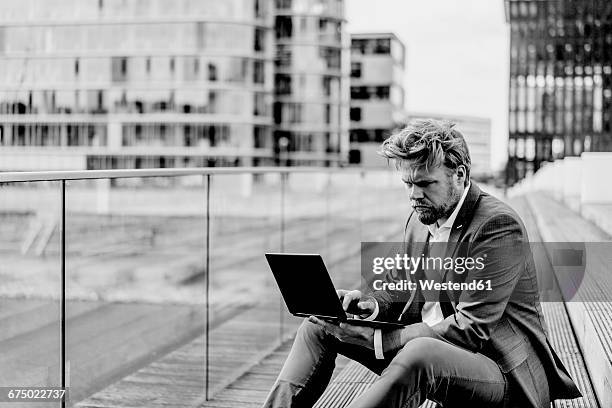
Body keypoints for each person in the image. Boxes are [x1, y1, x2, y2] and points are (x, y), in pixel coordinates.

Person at [262, 119, 581, 408]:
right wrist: (365, 304)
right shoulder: (420, 219)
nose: (414, 195)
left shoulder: (496, 226)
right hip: (434, 357)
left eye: (426, 184)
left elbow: (470, 329)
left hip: (501, 376)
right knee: (319, 325)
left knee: (419, 352)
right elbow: (398, 282)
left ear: (460, 175)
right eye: (407, 184)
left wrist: (381, 341)